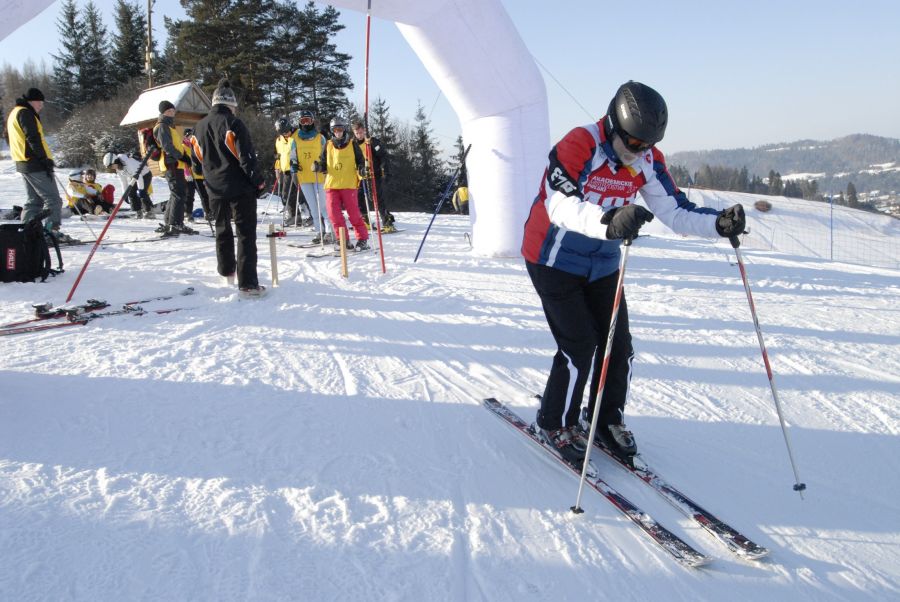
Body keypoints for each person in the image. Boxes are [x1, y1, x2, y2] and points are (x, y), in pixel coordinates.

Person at [522, 81, 746, 465]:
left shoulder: (647, 159)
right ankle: (555, 421)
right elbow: (558, 202)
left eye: (647, 145)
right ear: (613, 124)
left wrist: (718, 225)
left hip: (603, 262)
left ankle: (604, 418)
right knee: (580, 344)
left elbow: (675, 210)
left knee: (618, 346)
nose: (639, 152)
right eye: (633, 143)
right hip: (552, 257)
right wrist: (610, 220)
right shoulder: (580, 144)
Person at [190, 78, 267, 297]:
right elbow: (247, 158)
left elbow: (196, 161)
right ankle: (248, 283)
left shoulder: (198, 126)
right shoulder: (234, 124)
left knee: (222, 230)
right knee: (245, 233)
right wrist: (258, 181)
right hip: (239, 186)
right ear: (231, 104)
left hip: (213, 187)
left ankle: (227, 272)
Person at [5, 87, 77, 243]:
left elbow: (8, 137)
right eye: (40, 102)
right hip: (34, 162)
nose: (41, 106)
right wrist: (44, 159)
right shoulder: (25, 113)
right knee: (53, 200)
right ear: (33, 101)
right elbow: (33, 138)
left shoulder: (14, 113)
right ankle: (50, 232)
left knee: (34, 201)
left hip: (23, 162)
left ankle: (26, 233)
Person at [313, 116, 369, 251]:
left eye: (340, 129)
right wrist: (318, 167)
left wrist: (362, 169)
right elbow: (323, 163)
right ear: (332, 131)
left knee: (354, 213)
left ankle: (362, 239)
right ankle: (343, 240)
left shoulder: (352, 144)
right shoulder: (328, 145)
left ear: (344, 129)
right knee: (333, 214)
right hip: (332, 185)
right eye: (335, 129)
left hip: (349, 184)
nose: (338, 132)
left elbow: (361, 161)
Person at [153, 100, 196, 236]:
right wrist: (181, 156)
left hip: (175, 163)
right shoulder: (162, 126)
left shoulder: (169, 126)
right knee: (179, 193)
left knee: (176, 193)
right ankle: (175, 223)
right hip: (171, 163)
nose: (171, 113)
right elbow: (167, 146)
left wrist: (184, 157)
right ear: (162, 113)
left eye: (172, 111)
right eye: (168, 111)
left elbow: (175, 145)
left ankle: (170, 222)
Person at [351, 119, 395, 232]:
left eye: (361, 132)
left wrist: (385, 169)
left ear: (364, 131)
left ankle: (387, 222)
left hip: (374, 174)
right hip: (361, 176)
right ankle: (365, 220)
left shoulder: (371, 142)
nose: (359, 135)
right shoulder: (352, 144)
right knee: (359, 197)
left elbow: (383, 156)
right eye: (357, 133)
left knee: (377, 199)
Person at [295, 109, 332, 244]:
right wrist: (293, 164)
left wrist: (322, 165)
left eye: (308, 120)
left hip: (319, 176)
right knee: (312, 206)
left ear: (312, 122)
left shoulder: (320, 138)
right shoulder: (296, 139)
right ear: (299, 123)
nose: (305, 123)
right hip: (304, 177)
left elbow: (327, 155)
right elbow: (293, 156)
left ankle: (329, 231)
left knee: (323, 205)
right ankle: (319, 231)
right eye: (303, 121)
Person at [273, 116, 310, 226]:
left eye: (287, 131)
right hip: (286, 171)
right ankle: (295, 216)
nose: (286, 134)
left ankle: (312, 215)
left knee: (304, 194)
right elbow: (279, 156)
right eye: (283, 132)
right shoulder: (279, 141)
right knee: (286, 195)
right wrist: (277, 168)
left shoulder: (298, 135)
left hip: (299, 169)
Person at [103, 151, 155, 218]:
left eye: (111, 166)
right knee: (131, 193)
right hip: (134, 177)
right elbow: (123, 182)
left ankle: (149, 211)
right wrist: (125, 195)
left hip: (144, 175)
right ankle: (138, 211)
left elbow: (139, 177)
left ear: (115, 161)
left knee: (142, 193)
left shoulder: (128, 163)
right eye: (109, 167)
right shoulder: (118, 169)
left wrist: (141, 190)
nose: (111, 168)